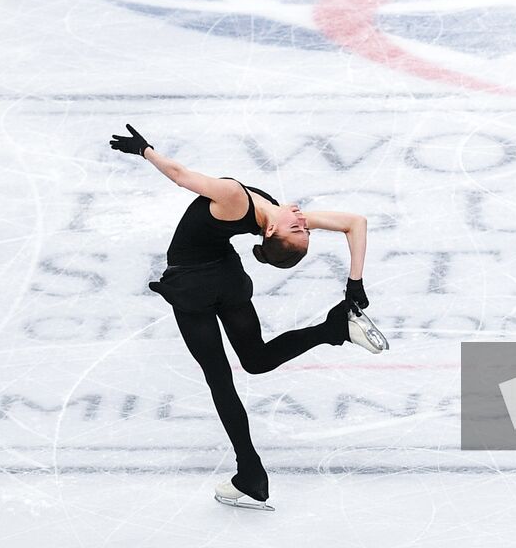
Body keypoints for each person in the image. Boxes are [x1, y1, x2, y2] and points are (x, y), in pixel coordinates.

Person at [109, 124, 387, 511]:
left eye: (299, 228)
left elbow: (180, 176)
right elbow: (354, 222)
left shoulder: (235, 198)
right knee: (255, 360)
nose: (303, 220)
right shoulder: (272, 217)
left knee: (219, 378)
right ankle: (333, 329)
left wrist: (145, 150)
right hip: (226, 277)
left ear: (271, 231)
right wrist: (354, 283)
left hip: (193, 285)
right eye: (304, 227)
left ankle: (251, 473)